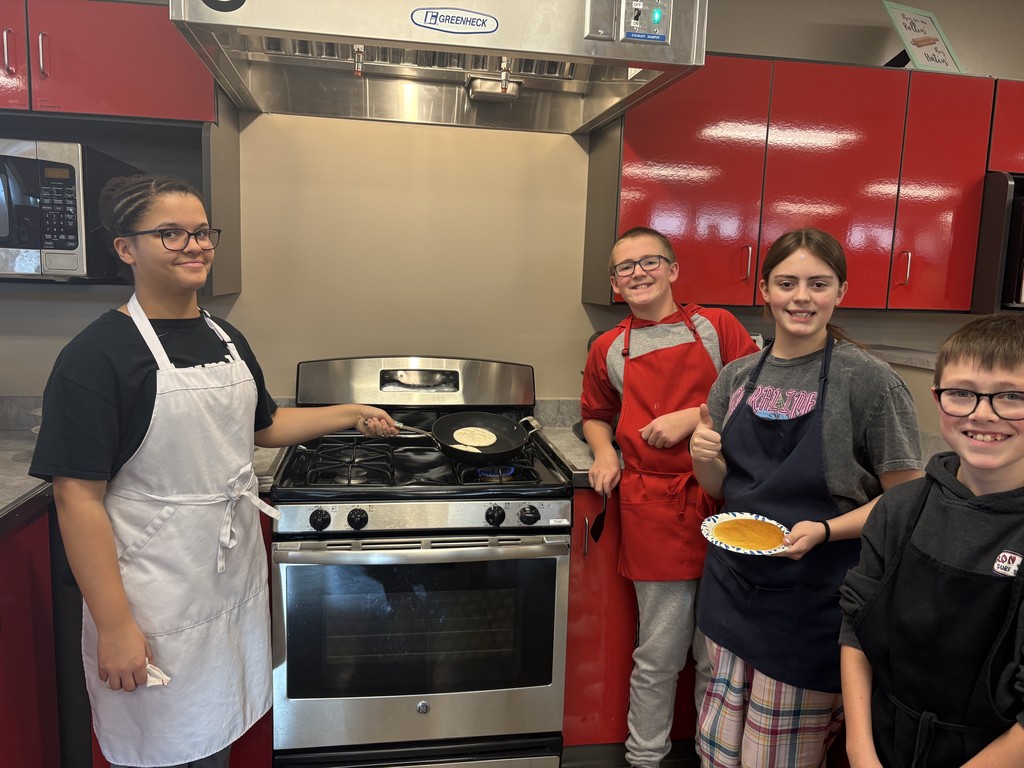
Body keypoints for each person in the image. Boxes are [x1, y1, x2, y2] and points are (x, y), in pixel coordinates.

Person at [29, 174, 399, 768]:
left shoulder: (225, 336)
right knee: (163, 745)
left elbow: (263, 427)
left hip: (229, 579)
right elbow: (78, 500)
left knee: (219, 733)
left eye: (201, 232)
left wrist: (350, 413)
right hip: (155, 594)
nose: (194, 245)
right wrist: (116, 625)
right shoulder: (96, 357)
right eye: (170, 233)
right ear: (126, 248)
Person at [689, 227, 923, 768]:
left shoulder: (869, 383)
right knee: (720, 752)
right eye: (787, 282)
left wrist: (824, 530)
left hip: (811, 600)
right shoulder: (737, 375)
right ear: (765, 289)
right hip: (731, 591)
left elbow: (905, 500)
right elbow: (722, 490)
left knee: (777, 758)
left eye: (818, 283)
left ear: (840, 291)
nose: (802, 297)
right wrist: (704, 457)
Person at [581, 226, 759, 768]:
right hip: (653, 505)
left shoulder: (717, 327)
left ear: (673, 270)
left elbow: (756, 388)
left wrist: (692, 417)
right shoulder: (609, 346)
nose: (637, 273)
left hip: (723, 500)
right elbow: (594, 414)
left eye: (648, 262)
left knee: (716, 653)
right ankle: (644, 757)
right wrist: (606, 453)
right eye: (624, 268)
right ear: (614, 283)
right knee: (658, 653)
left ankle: (714, 756)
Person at [839, 313, 1024, 768]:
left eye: (1012, 395)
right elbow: (856, 626)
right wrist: (859, 749)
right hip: (883, 744)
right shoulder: (900, 508)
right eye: (962, 393)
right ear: (937, 398)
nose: (983, 413)